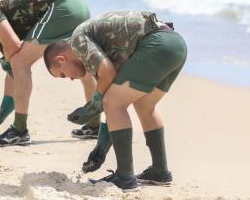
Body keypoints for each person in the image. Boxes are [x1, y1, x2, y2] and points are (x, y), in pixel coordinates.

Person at [43, 11, 187, 191]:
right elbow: (109, 102)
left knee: (114, 103)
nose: (70, 79)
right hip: (175, 45)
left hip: (156, 44)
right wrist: (101, 148)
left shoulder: (78, 41)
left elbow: (108, 89)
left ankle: (125, 177)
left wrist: (93, 106)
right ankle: (160, 172)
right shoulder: (95, 53)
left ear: (61, 59)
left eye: (63, 74)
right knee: (144, 106)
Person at [0, 0, 100, 146]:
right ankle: (94, 125)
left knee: (20, 61)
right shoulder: (7, 26)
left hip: (63, 8)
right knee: (82, 67)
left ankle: (19, 130)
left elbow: (15, 55)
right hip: (78, 6)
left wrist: (11, 60)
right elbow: (13, 73)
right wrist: (1, 115)